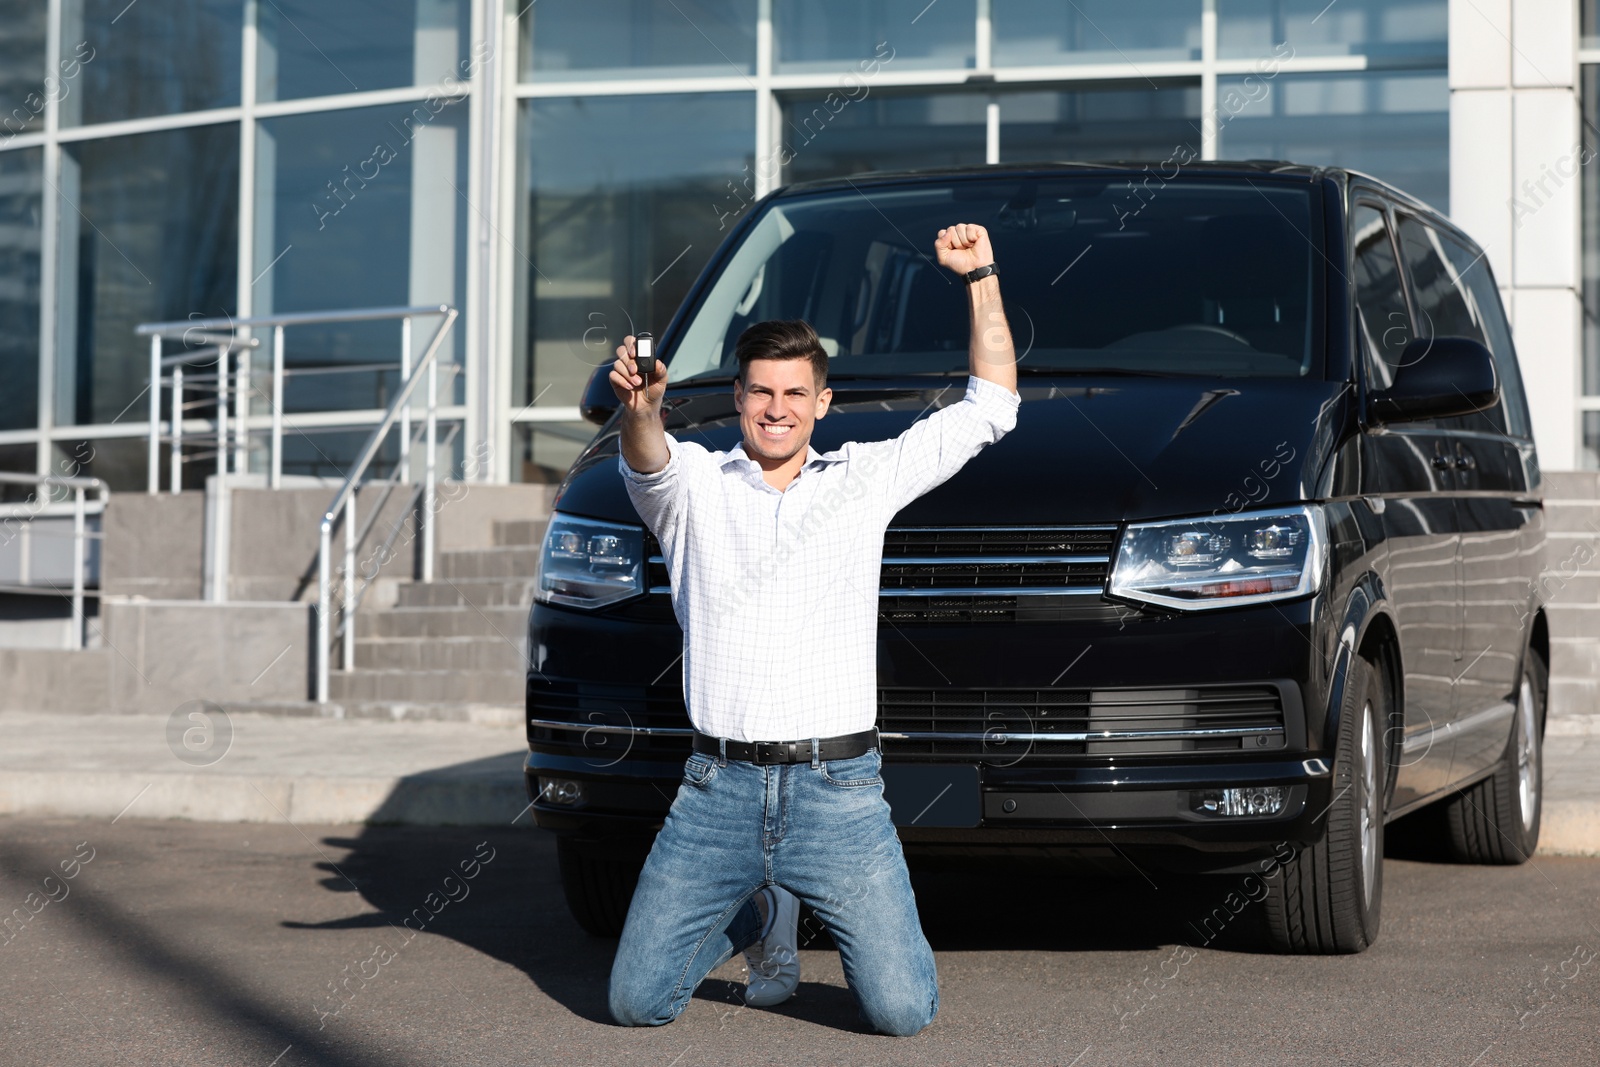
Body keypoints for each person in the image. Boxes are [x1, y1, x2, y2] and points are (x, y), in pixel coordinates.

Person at [606, 222, 1019, 1036]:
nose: (777, 409)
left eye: (795, 393)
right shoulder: (693, 483)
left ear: (822, 403)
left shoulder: (864, 479)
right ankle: (760, 915)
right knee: (636, 1003)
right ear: (738, 398)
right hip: (715, 795)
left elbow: (993, 403)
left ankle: (780, 900)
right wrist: (641, 408)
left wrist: (981, 277)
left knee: (903, 1012)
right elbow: (645, 454)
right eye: (761, 391)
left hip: (840, 794)